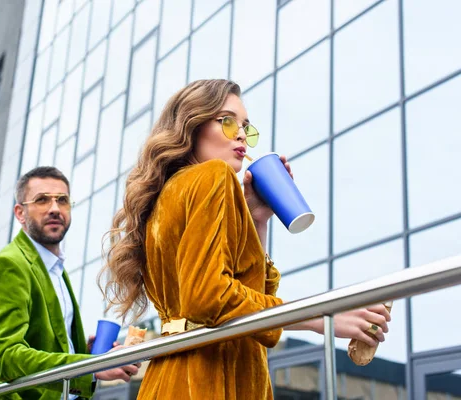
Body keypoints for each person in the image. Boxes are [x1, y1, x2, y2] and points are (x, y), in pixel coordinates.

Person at [100, 79, 391, 400]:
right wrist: (322, 316)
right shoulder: (213, 176)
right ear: (192, 125)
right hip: (209, 379)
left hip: (174, 376)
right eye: (226, 121)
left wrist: (257, 219)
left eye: (246, 127)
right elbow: (209, 298)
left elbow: (238, 300)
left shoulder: (170, 195)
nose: (240, 134)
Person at [0, 167, 139, 400]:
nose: (54, 208)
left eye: (62, 200)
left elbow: (45, 343)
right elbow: (3, 357)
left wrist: (83, 351)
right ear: (20, 213)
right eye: (42, 200)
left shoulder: (54, 269)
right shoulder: (9, 265)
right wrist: (90, 367)